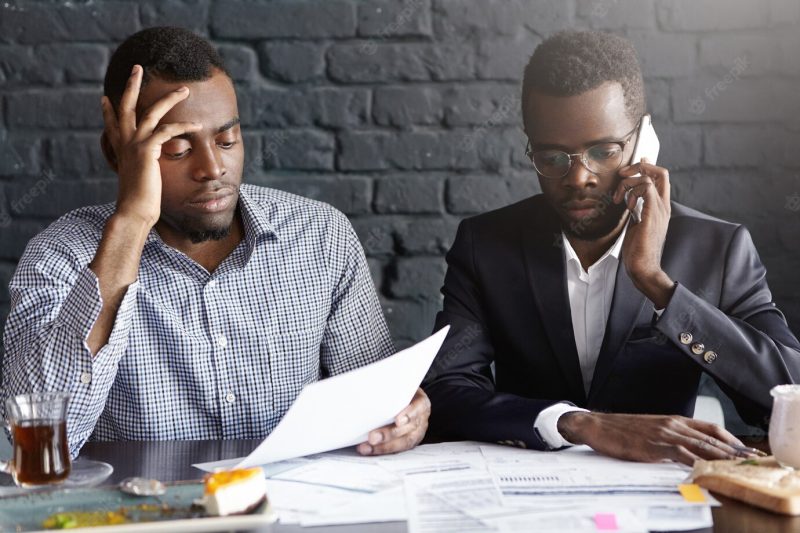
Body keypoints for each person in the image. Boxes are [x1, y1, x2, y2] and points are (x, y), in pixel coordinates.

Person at [2, 27, 429, 458]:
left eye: (227, 140)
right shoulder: (61, 257)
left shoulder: (321, 237)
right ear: (118, 154)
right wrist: (131, 224)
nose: (213, 168)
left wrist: (401, 417)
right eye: (178, 149)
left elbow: (372, 406)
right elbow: (36, 447)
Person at [422, 30, 800, 465]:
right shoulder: (486, 245)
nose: (579, 178)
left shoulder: (718, 250)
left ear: (643, 142)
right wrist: (579, 423)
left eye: (603, 151)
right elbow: (445, 392)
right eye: (552, 158)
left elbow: (787, 400)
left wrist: (658, 285)